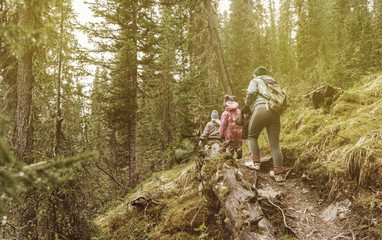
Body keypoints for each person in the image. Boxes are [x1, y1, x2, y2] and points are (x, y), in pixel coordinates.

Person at [244, 66, 284, 182]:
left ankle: (255, 163)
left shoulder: (255, 80)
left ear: (256, 74)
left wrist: (247, 106)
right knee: (275, 144)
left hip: (262, 108)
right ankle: (278, 173)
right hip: (275, 111)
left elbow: (251, 92)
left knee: (251, 135)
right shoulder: (273, 82)